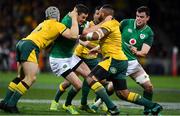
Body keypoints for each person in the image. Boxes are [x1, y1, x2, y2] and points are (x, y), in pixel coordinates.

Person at [79, 4, 163, 115]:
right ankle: (154, 106)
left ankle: (111, 107)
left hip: (116, 60)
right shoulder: (123, 23)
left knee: (90, 79)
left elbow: (96, 36)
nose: (138, 18)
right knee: (122, 94)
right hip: (122, 60)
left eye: (141, 17)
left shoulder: (147, 32)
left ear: (147, 18)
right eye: (137, 16)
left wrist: (82, 35)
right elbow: (113, 37)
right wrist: (97, 47)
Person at [0, 6, 79, 113]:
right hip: (30, 46)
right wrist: (74, 18)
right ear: (58, 16)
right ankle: (11, 104)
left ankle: (5, 102)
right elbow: (74, 35)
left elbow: (46, 41)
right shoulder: (58, 25)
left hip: (22, 43)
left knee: (21, 77)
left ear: (47, 16)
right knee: (31, 78)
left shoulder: (42, 24)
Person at [48, 4, 119, 115]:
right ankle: (66, 104)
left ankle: (104, 104)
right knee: (78, 85)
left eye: (86, 18)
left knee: (90, 77)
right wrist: (104, 23)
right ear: (76, 14)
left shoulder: (76, 21)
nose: (84, 20)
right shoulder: (68, 21)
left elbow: (84, 32)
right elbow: (81, 34)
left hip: (70, 57)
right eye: (83, 17)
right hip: (59, 59)